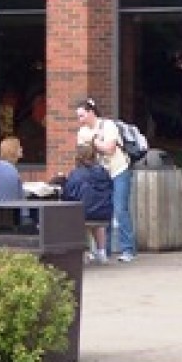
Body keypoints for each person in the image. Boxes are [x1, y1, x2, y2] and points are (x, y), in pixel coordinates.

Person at [76, 97, 136, 263]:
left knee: (120, 208)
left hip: (118, 170)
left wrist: (93, 141)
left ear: (90, 112)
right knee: (104, 210)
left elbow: (110, 149)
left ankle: (127, 249)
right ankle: (105, 250)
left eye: (82, 115)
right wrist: (97, 144)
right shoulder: (81, 132)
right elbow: (84, 155)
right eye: (78, 117)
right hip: (100, 174)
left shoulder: (108, 125)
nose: (80, 120)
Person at [62, 142, 113, 264]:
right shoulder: (104, 172)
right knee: (97, 224)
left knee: (76, 215)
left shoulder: (76, 174)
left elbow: (68, 195)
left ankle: (84, 253)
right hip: (104, 213)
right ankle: (102, 253)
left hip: (84, 214)